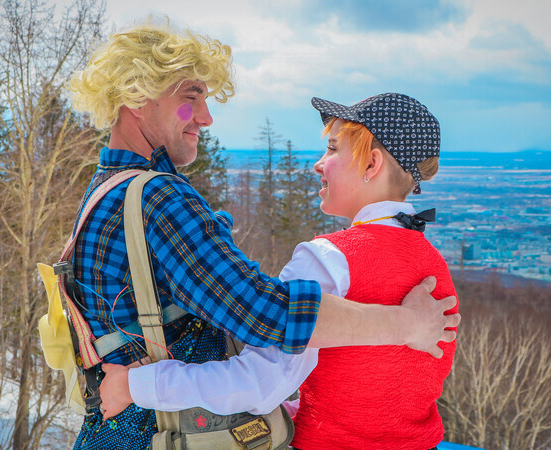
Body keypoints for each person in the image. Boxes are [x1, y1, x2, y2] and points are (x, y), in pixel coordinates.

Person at [66, 21, 459, 449]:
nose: (206, 117)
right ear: (137, 97)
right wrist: (407, 323)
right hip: (156, 434)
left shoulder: (108, 187)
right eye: (190, 98)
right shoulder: (158, 199)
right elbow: (265, 313)